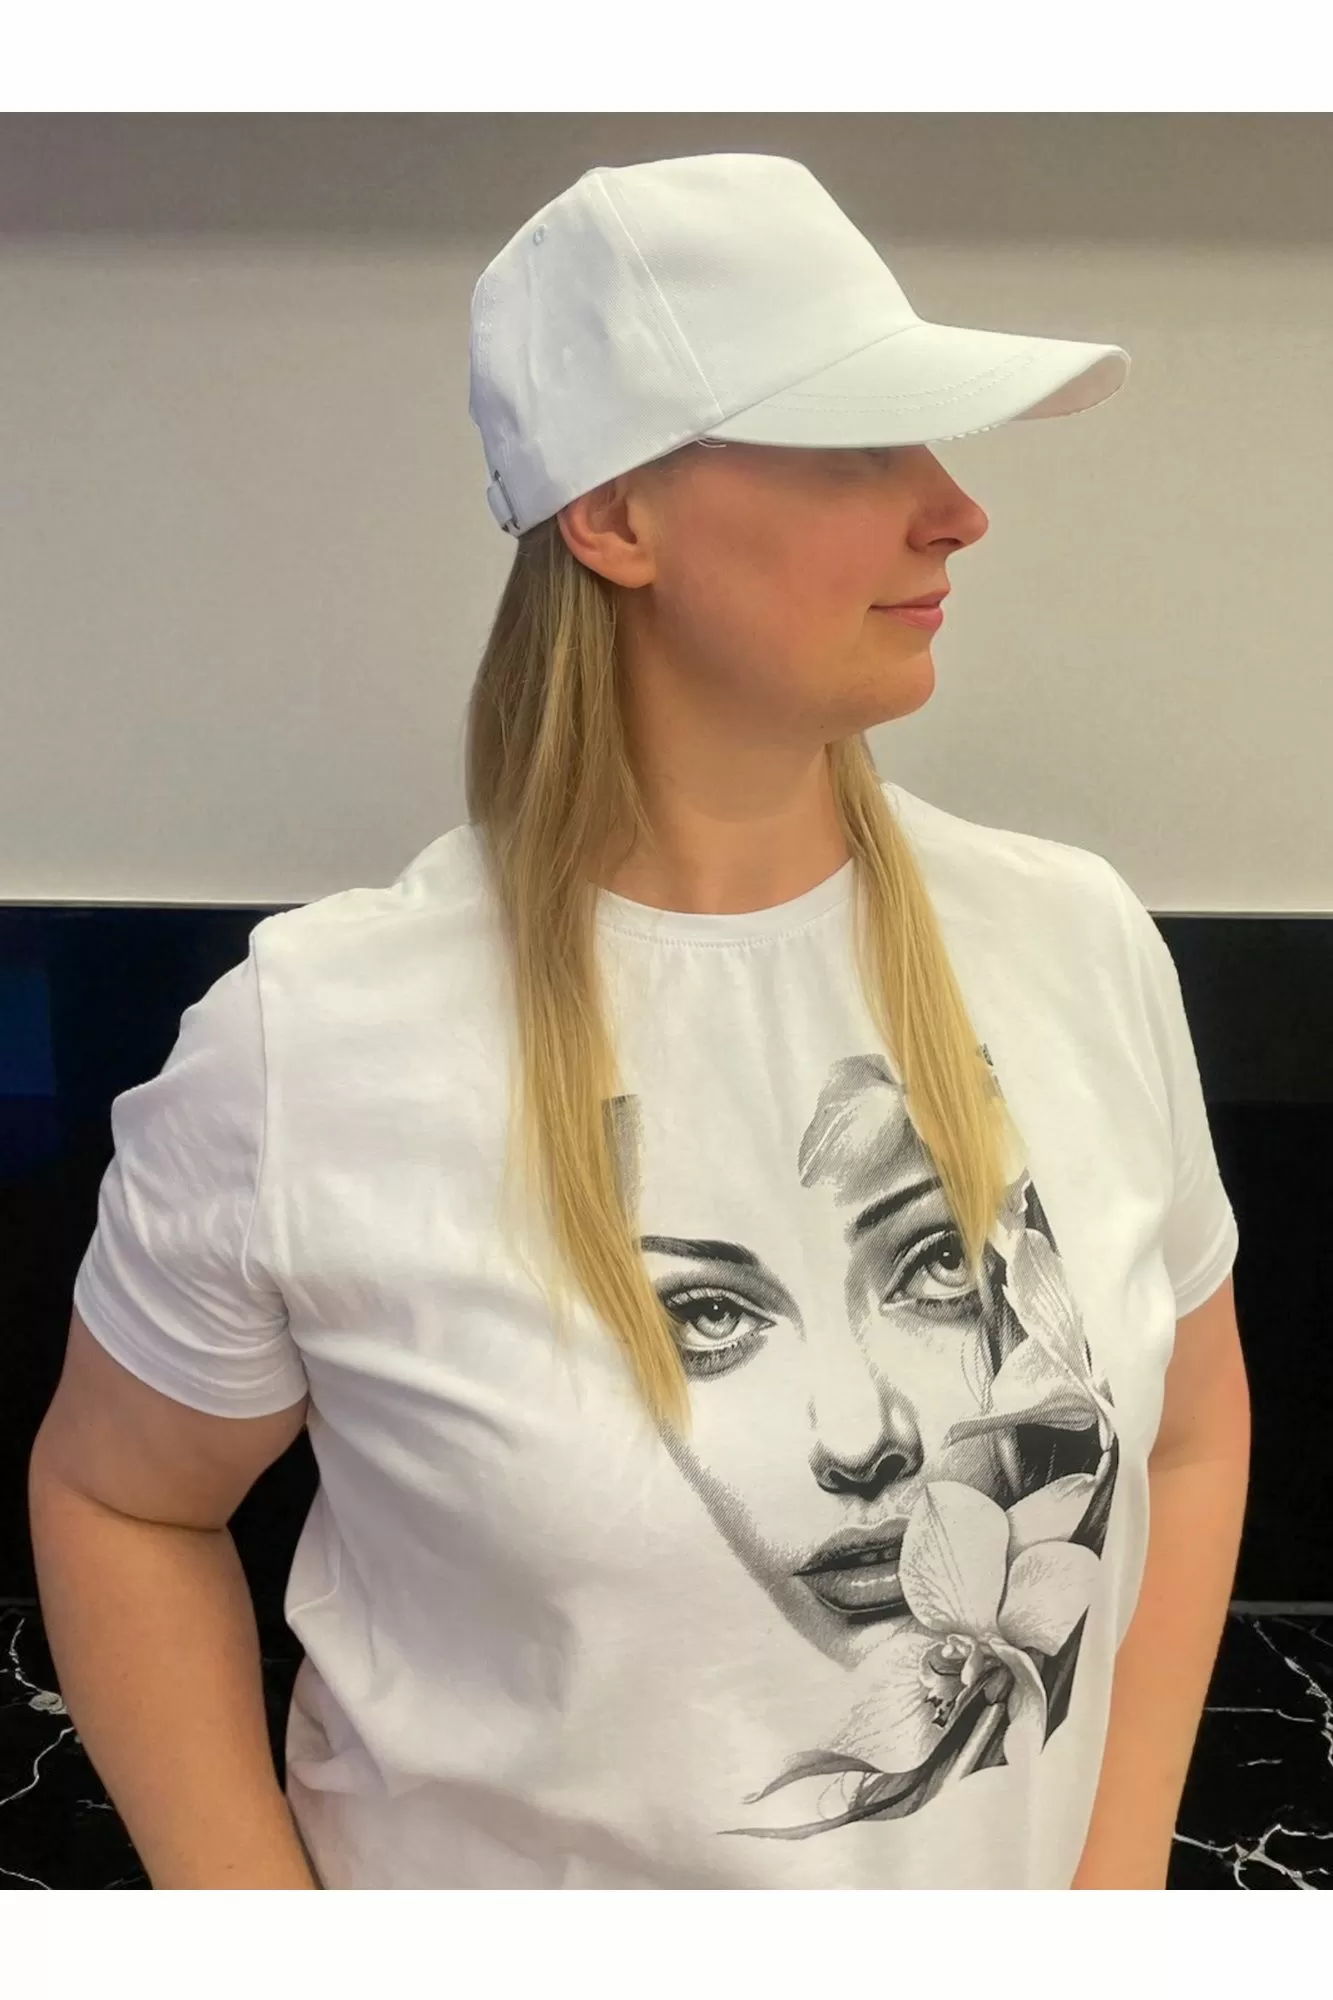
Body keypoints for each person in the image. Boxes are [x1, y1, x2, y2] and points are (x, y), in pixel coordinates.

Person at [34, 152, 1244, 1890]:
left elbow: (1189, 1432)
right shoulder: (313, 1051)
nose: (956, 510)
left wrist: (1109, 1900)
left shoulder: (1076, 946)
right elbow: (121, 1500)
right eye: (856, 447)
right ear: (613, 517)